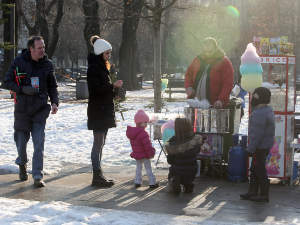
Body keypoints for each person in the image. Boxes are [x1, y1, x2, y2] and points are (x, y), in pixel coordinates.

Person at [4, 35, 59, 188]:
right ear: (31, 49)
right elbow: (7, 81)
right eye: (39, 48)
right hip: (22, 110)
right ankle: (22, 164)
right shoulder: (18, 62)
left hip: (40, 110)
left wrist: (54, 102)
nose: (42, 50)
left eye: (43, 47)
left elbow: (52, 86)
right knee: (21, 144)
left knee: (39, 144)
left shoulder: (47, 64)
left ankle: (37, 175)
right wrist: (23, 89)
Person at [87, 35, 123, 187]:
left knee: (101, 144)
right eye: (107, 53)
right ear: (100, 52)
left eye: (110, 53)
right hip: (98, 111)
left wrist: (114, 93)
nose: (109, 56)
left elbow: (101, 89)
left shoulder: (101, 66)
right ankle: (96, 175)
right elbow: (94, 90)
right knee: (98, 144)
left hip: (103, 110)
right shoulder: (94, 67)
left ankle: (98, 173)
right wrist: (112, 87)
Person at [240, 87, 275, 202]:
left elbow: (257, 134)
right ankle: (252, 192)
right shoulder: (267, 110)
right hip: (264, 145)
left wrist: (251, 149)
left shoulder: (259, 114)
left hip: (259, 147)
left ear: (258, 98)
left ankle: (264, 194)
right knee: (254, 169)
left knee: (259, 170)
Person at [185, 37, 234, 108]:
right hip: (195, 103)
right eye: (206, 51)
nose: (208, 54)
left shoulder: (225, 62)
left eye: (210, 51)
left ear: (216, 48)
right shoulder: (197, 59)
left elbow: (228, 84)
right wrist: (188, 87)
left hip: (215, 104)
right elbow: (189, 74)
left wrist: (221, 100)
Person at [165, 118, 202, 195]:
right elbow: (198, 151)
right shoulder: (195, 141)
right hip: (192, 171)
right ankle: (188, 185)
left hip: (177, 171)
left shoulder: (174, 143)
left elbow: (170, 161)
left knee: (174, 171)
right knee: (189, 169)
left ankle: (173, 182)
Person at [126, 109, 159, 188]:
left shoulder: (133, 133)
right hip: (144, 155)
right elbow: (147, 145)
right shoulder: (143, 133)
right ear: (139, 122)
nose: (146, 124)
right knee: (148, 168)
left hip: (137, 154)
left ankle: (137, 182)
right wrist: (151, 153)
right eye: (145, 122)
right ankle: (152, 182)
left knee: (138, 168)